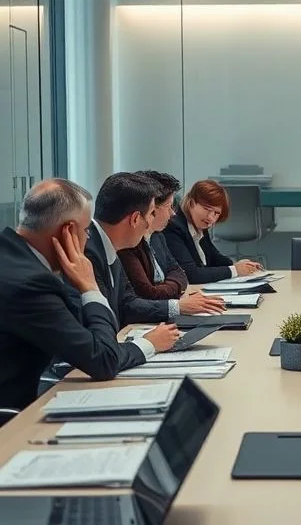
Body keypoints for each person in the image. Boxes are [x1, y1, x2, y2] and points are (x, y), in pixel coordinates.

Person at [0, 179, 179, 410]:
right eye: (85, 230)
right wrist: (90, 287)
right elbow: (102, 359)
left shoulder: (13, 260)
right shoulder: (31, 284)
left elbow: (85, 335)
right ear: (69, 231)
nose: (88, 238)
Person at [86, 172, 225, 325]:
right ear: (135, 219)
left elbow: (127, 302)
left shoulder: (106, 245)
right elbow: (106, 321)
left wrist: (176, 306)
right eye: (152, 213)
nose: (149, 225)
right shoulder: (90, 253)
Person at [164, 179, 262, 284]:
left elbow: (214, 257)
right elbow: (191, 275)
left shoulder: (200, 224)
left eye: (216, 213)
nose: (211, 218)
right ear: (191, 203)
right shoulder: (173, 227)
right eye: (207, 209)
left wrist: (237, 265)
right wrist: (235, 270)